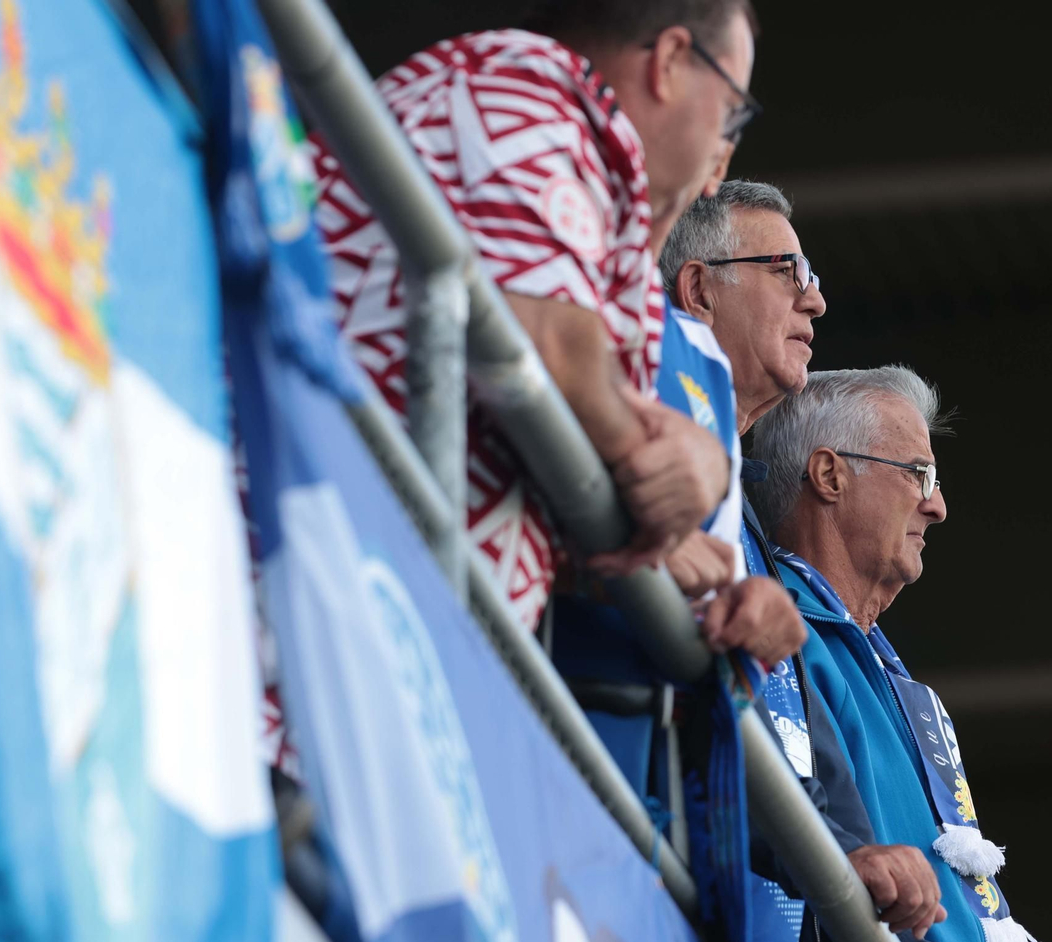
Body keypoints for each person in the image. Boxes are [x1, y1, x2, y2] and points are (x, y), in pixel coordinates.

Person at [311, 0, 760, 630]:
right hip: (306, 556)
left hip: (375, 602)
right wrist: (676, 456)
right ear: (671, 62)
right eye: (733, 106)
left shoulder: (598, 199)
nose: (726, 141)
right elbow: (546, 347)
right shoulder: (521, 87)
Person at [659, 185, 951, 942]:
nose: (815, 296)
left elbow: (811, 780)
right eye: (787, 269)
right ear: (699, 289)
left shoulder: (746, 540)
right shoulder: (644, 418)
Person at [748, 367, 1040, 942]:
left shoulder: (883, 667)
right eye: (919, 474)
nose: (937, 507)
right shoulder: (775, 626)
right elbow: (790, 844)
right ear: (829, 475)